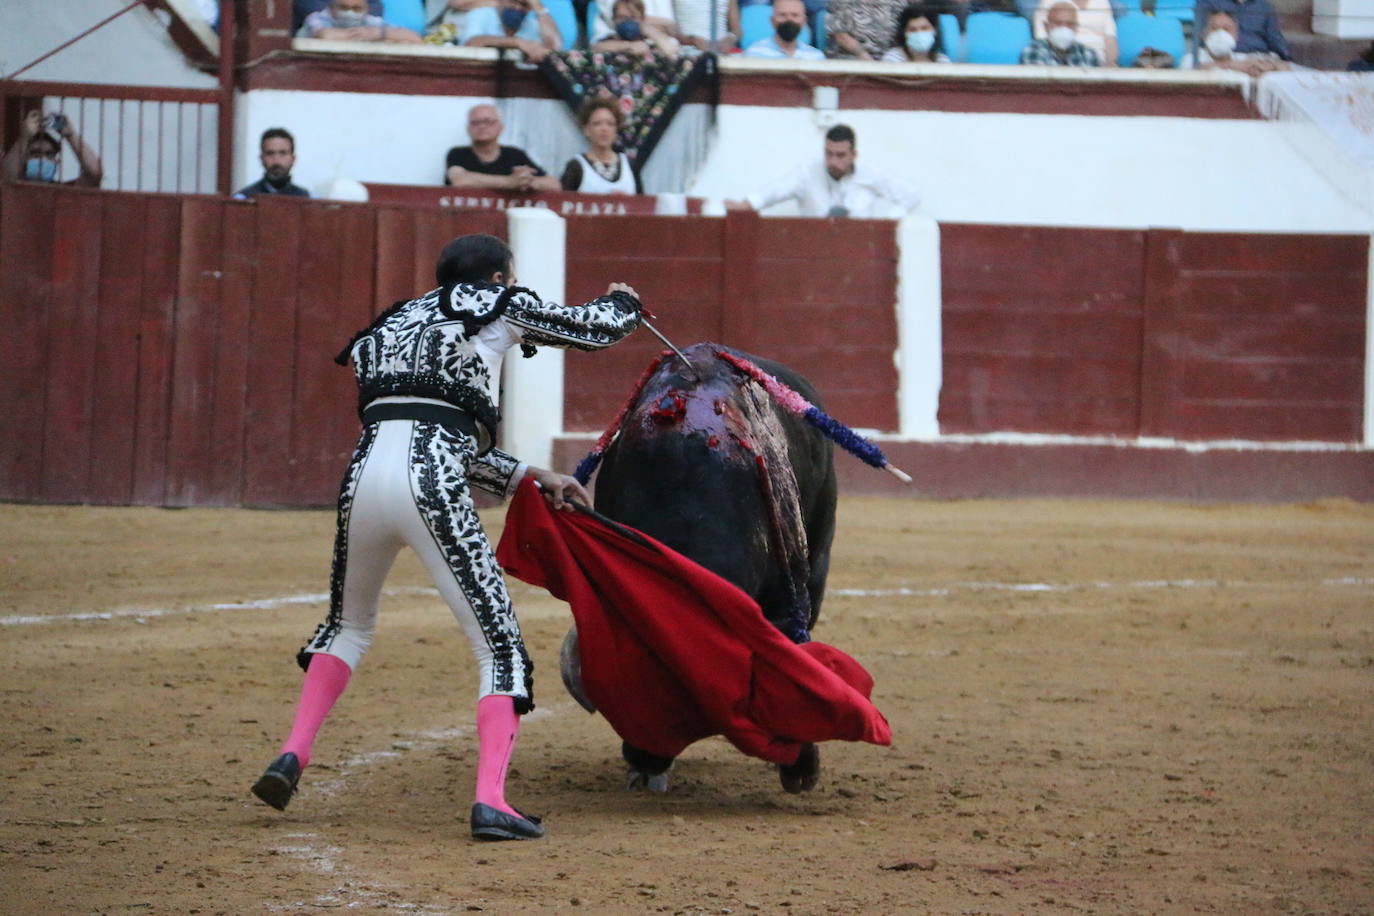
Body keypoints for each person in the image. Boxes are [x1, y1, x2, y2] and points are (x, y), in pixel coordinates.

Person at [249, 233, 644, 842]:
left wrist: (531, 476)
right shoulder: (492, 301)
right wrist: (624, 305)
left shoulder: (387, 328)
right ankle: (491, 801)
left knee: (347, 626)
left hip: (361, 483)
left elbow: (427, 421)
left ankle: (291, 755)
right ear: (496, 277)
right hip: (431, 484)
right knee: (500, 650)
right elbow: (588, 329)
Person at [726, 124, 921, 218]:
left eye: (840, 155)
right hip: (815, 249)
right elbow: (778, 189)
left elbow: (911, 195)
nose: (833, 161)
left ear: (853, 155)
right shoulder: (808, 171)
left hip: (859, 249)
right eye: (828, 154)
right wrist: (748, 203)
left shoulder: (870, 173)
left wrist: (890, 222)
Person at [444, 104, 560, 192]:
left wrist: (529, 181)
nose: (482, 126)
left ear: (501, 127)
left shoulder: (514, 154)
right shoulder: (458, 154)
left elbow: (554, 185)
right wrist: (510, 182)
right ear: (468, 129)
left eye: (488, 122)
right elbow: (460, 180)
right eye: (475, 122)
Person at [560, 98, 643, 195]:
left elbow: (643, 204)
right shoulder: (576, 167)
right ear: (586, 129)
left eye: (610, 124)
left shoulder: (630, 166)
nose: (604, 129)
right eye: (597, 124)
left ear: (616, 129)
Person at [2, 110, 102, 188]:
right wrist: (24, 138)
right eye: (35, 153)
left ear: (56, 161)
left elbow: (94, 173)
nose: (42, 159)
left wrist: (71, 135)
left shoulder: (64, 192)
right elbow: (5, 176)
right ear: (24, 158)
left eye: (49, 154)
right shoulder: (12, 190)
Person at [1181, 10, 1288, 72]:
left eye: (1227, 29)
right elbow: (1195, 68)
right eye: (1214, 28)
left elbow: (1285, 68)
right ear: (1203, 35)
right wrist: (1234, 66)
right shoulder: (1191, 58)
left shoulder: (1242, 58)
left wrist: (1270, 66)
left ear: (1236, 36)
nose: (1221, 33)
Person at [461, 0, 563, 61]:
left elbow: (555, 46)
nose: (517, 7)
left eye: (523, 4)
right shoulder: (481, 14)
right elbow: (472, 42)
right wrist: (517, 43)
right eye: (513, 1)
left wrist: (540, 9)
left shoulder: (530, 24)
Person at [1192, 0, 1290, 61]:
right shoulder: (1209, 2)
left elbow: (1275, 40)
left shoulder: (1263, 6)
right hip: (1221, 57)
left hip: (1258, 58)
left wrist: (1287, 60)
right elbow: (1203, 35)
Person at [1031, 0, 1116, 66]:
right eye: (1059, 23)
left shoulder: (1103, 2)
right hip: (1056, 56)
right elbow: (1041, 37)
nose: (1064, 27)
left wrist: (1109, 64)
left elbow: (1110, 38)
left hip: (1094, 61)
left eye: (1070, 24)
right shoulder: (1048, 2)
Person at [235, 128, 311, 199]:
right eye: (270, 153)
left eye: (283, 153)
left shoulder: (307, 200)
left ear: (293, 159)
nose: (276, 160)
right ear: (262, 159)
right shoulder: (244, 199)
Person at [297, 0, 423, 41]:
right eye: (344, 7)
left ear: (366, 9)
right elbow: (325, 35)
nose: (350, 12)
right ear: (331, 7)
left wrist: (379, 33)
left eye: (356, 8)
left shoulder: (369, 20)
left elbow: (414, 37)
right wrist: (363, 34)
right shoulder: (317, 17)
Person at [591, 0, 681, 55]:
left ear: (642, 19)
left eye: (632, 17)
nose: (627, 22)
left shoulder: (649, 39)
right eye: (622, 17)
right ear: (614, 19)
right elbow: (595, 48)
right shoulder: (611, 37)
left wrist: (650, 32)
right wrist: (628, 46)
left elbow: (672, 51)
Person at [743, 0, 827, 59]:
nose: (789, 19)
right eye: (782, 15)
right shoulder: (754, 53)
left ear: (804, 22)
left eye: (795, 15)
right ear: (772, 21)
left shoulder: (815, 57)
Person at [827, 0, 907, 59]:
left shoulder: (899, 2)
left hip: (891, 55)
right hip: (853, 55)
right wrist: (864, 56)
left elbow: (906, 30)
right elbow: (840, 35)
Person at [880, 2, 950, 61]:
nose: (919, 33)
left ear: (934, 30)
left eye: (924, 28)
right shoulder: (892, 59)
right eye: (912, 30)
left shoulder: (942, 60)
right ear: (904, 33)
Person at [673, 0, 742, 51]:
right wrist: (692, 40)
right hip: (687, 53)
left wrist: (730, 39)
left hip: (720, 54)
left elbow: (737, 30)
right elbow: (666, 27)